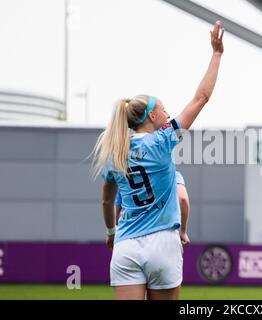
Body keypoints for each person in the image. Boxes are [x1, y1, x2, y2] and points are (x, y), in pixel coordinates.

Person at [91, 21, 224, 300]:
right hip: (163, 243)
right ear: (152, 116)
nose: (167, 114)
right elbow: (202, 97)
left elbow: (106, 201)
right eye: (163, 110)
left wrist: (110, 232)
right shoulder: (163, 141)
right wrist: (216, 54)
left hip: (126, 245)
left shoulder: (115, 150)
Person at [115, 171, 190, 245]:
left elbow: (115, 207)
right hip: (163, 233)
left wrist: (113, 231)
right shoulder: (173, 174)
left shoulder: (126, 177)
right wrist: (183, 232)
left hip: (129, 234)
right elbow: (183, 199)